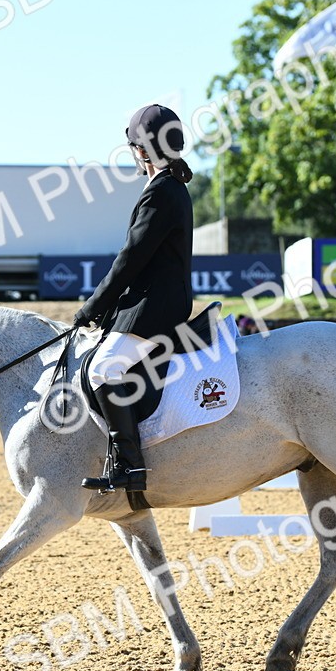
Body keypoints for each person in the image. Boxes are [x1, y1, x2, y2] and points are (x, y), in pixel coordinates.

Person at [72, 104, 195, 493]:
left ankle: (130, 464)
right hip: (153, 301)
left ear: (142, 150)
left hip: (154, 306)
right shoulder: (170, 187)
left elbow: (130, 259)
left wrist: (93, 306)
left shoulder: (161, 192)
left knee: (102, 370)